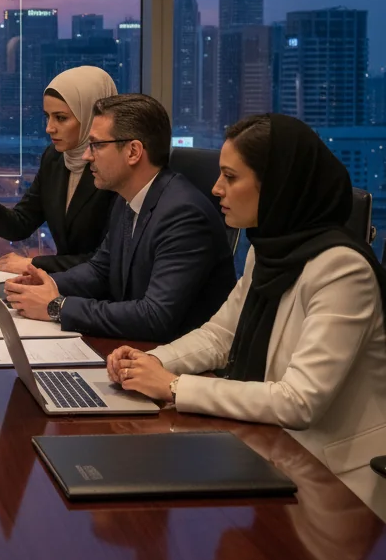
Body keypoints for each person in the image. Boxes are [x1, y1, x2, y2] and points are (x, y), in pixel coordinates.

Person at [108, 114, 386, 518]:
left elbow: (299, 401)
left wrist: (173, 387)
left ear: (276, 184)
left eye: (230, 177)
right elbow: (221, 335)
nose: (216, 188)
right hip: (271, 453)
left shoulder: (342, 271)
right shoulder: (268, 248)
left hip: (336, 488)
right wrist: (153, 361)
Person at [4, 94, 236, 343]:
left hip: (174, 365)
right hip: (135, 351)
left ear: (133, 152)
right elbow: (100, 270)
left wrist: (58, 307)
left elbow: (154, 317)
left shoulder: (184, 216)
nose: (86, 156)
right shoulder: (127, 199)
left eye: (96, 145)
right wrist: (44, 284)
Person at [0, 66, 117, 273]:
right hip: (66, 287)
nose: (49, 127)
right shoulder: (55, 158)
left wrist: (33, 264)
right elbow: (21, 225)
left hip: (102, 297)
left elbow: (107, 261)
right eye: (47, 117)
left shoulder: (114, 168)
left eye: (61, 118)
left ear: (91, 117)